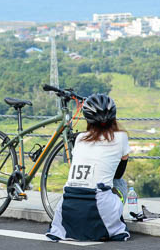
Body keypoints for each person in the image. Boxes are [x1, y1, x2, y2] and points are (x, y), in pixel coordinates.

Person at [46, 93, 130, 242]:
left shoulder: (79, 138)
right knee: (121, 183)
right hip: (99, 204)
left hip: (68, 206)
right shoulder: (121, 137)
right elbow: (118, 174)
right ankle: (109, 222)